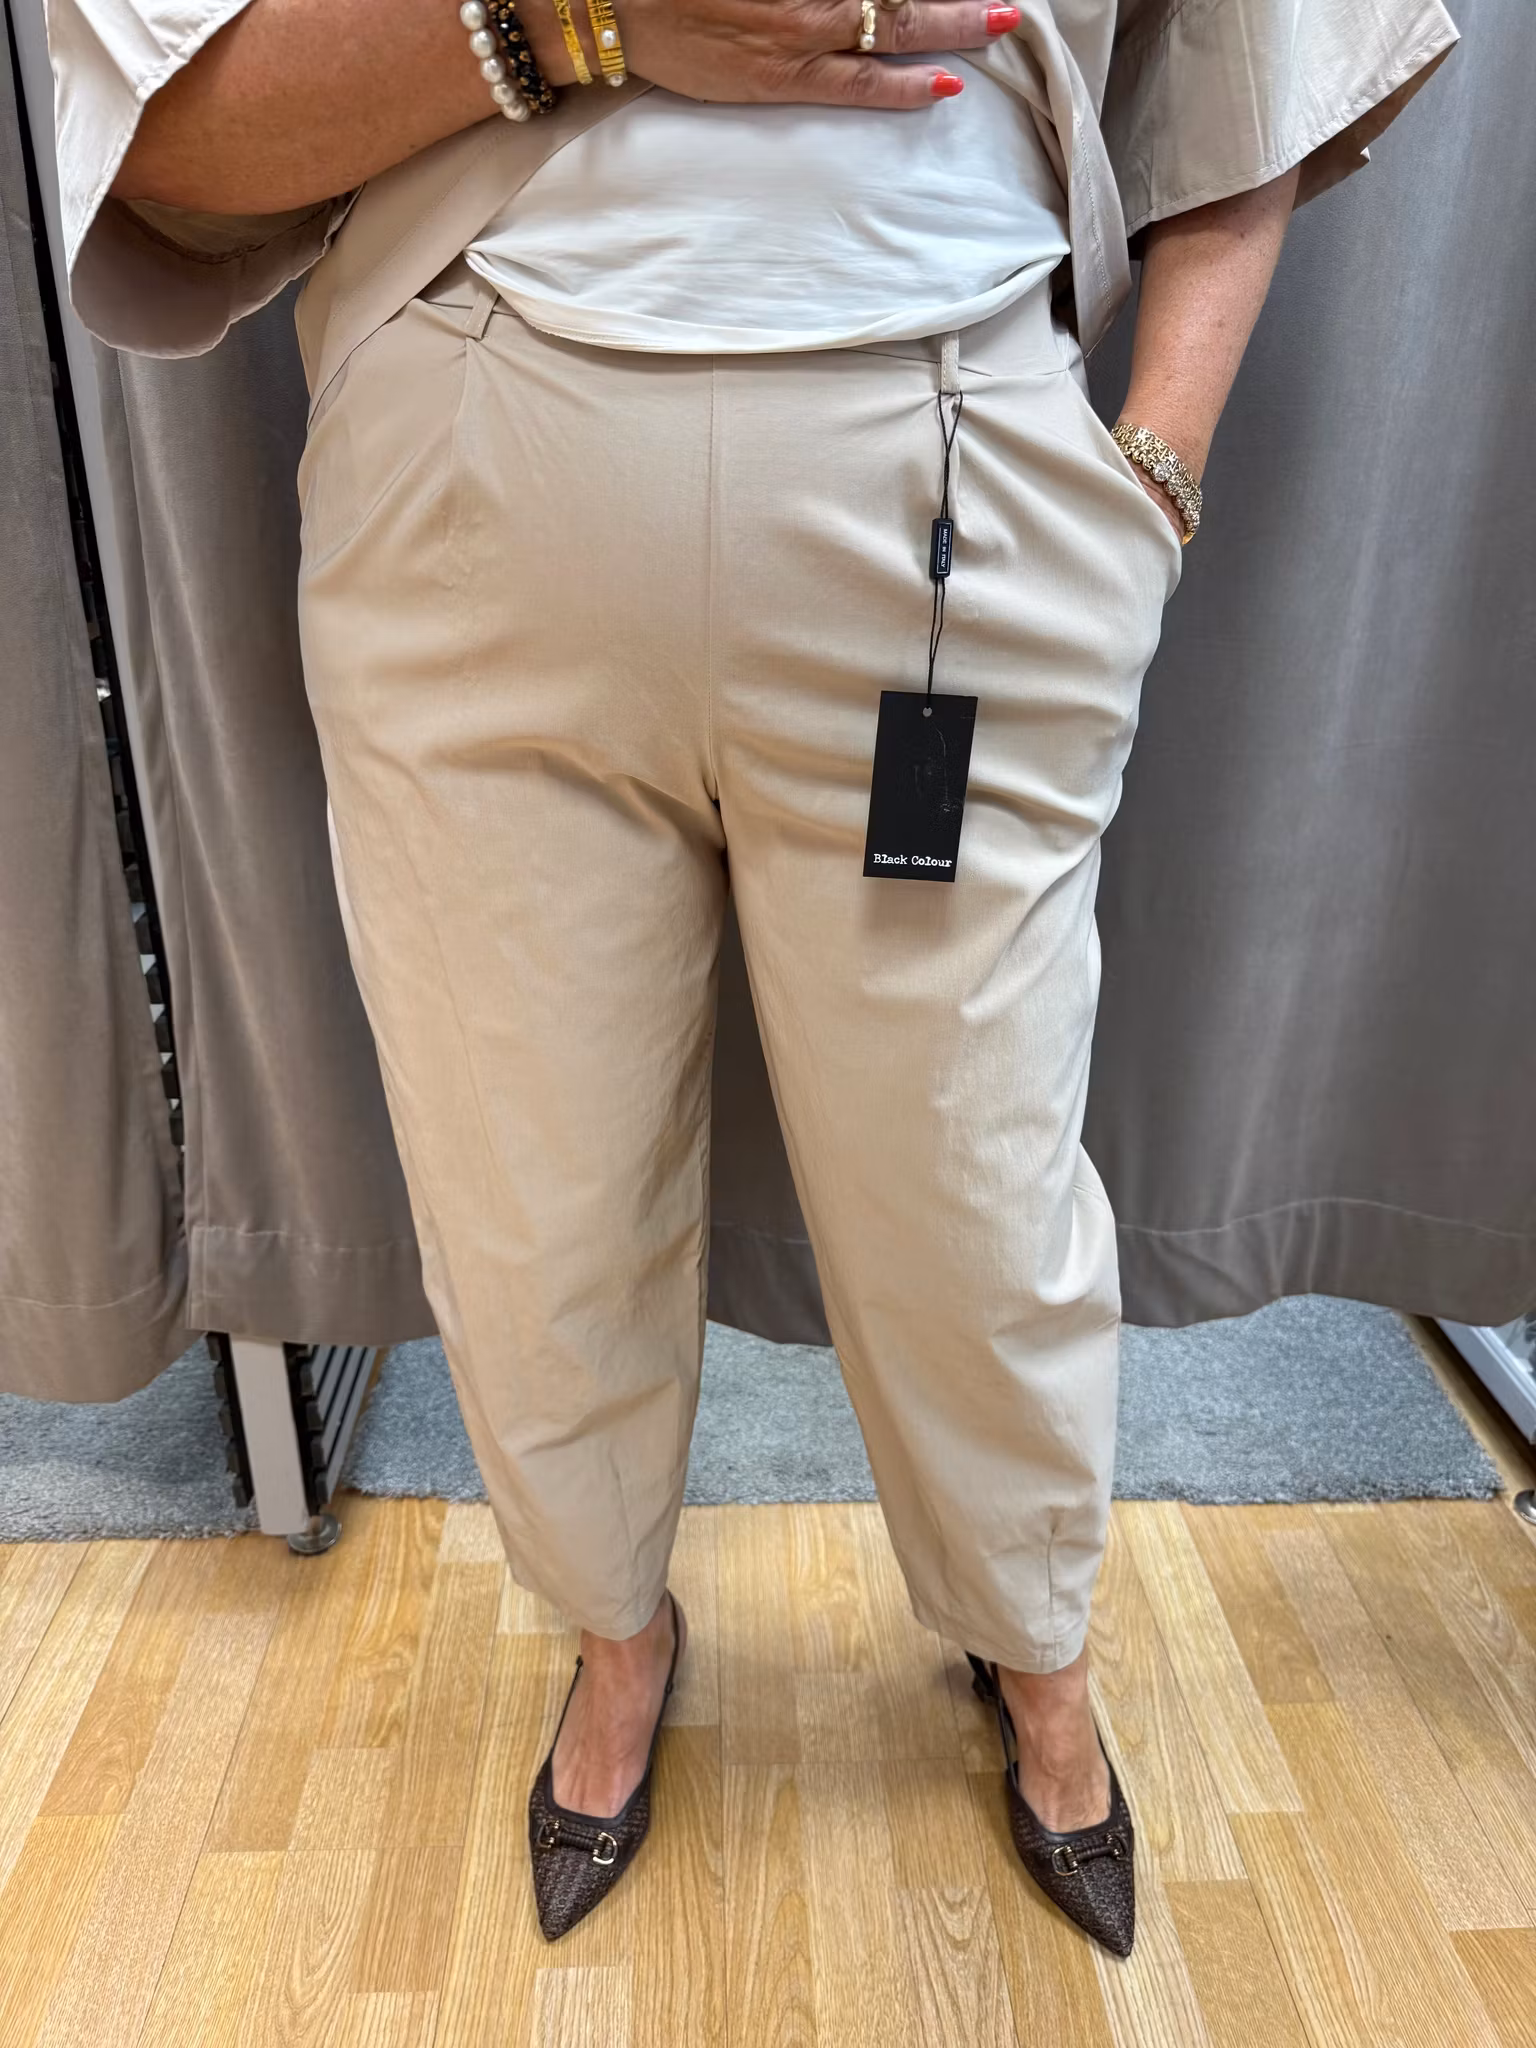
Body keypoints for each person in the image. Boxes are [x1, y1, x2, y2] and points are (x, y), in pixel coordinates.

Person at [49, 0, 1456, 1953]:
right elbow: (173, 132)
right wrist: (582, 21)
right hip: (472, 465)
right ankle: (613, 1638)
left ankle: (1036, 1647)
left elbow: (1265, 55)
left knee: (971, 1189)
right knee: (526, 1185)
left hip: (950, 472)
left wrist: (1156, 474)